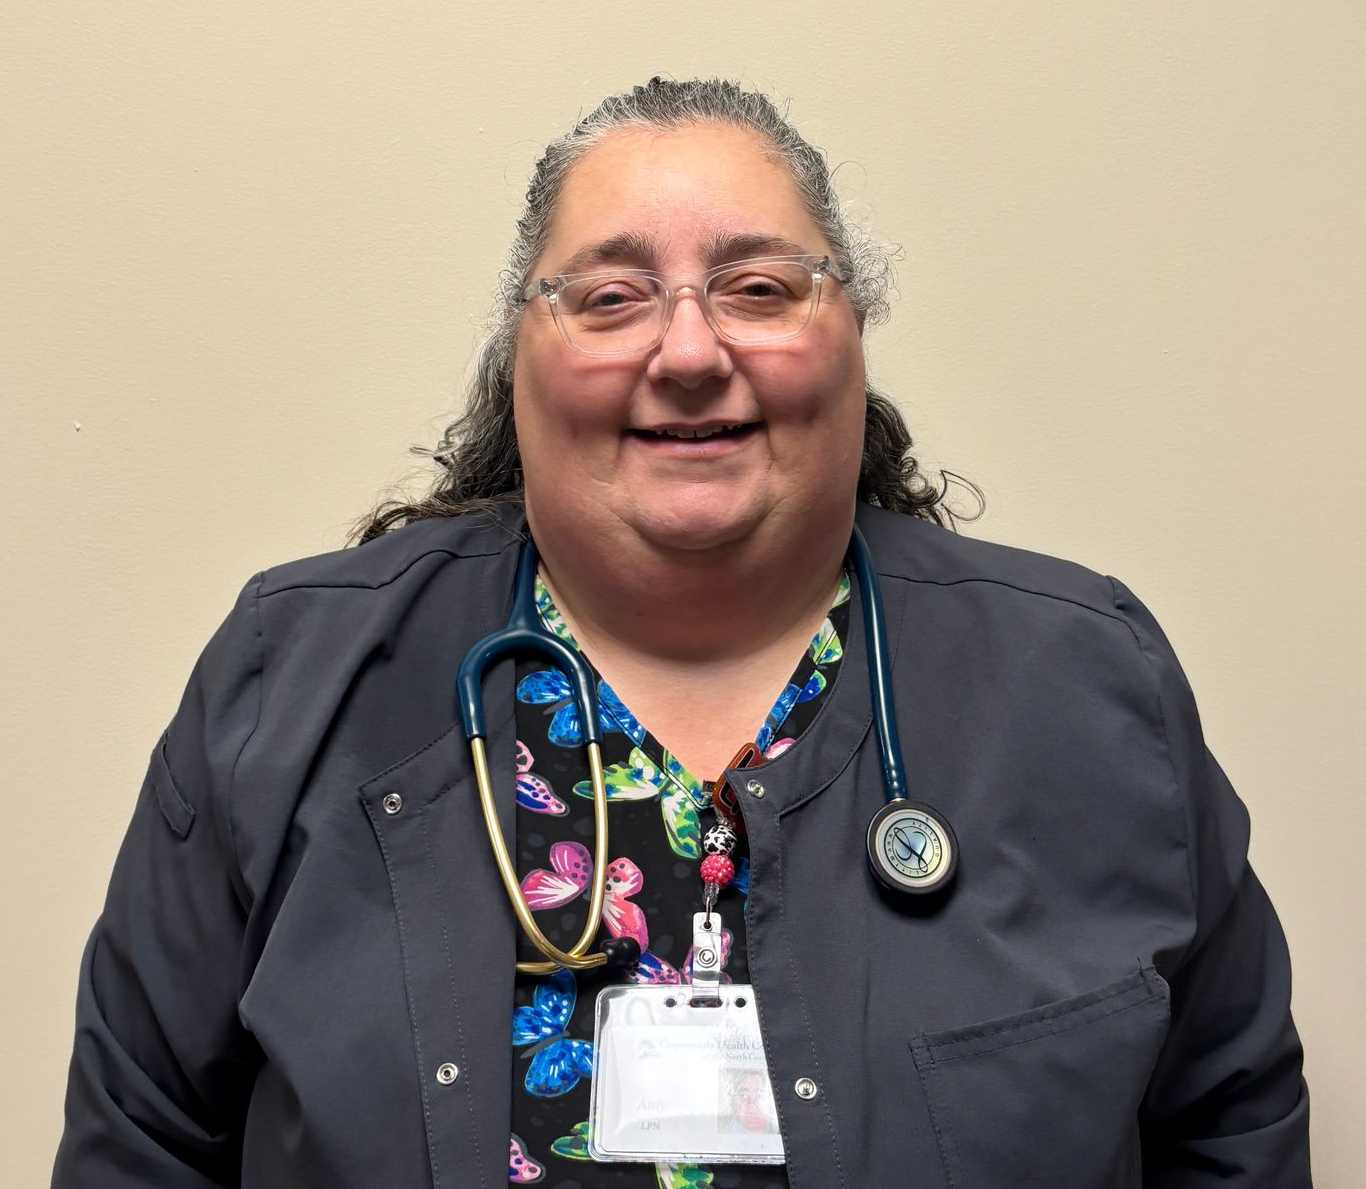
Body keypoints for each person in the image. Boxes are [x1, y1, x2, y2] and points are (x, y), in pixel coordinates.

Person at [52, 77, 1311, 1188]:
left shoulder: (1087, 684)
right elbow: (141, 1141)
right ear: (521, 358)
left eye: (759, 287)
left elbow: (1228, 1120)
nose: (692, 348)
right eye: (611, 297)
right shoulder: (291, 682)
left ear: (852, 335)